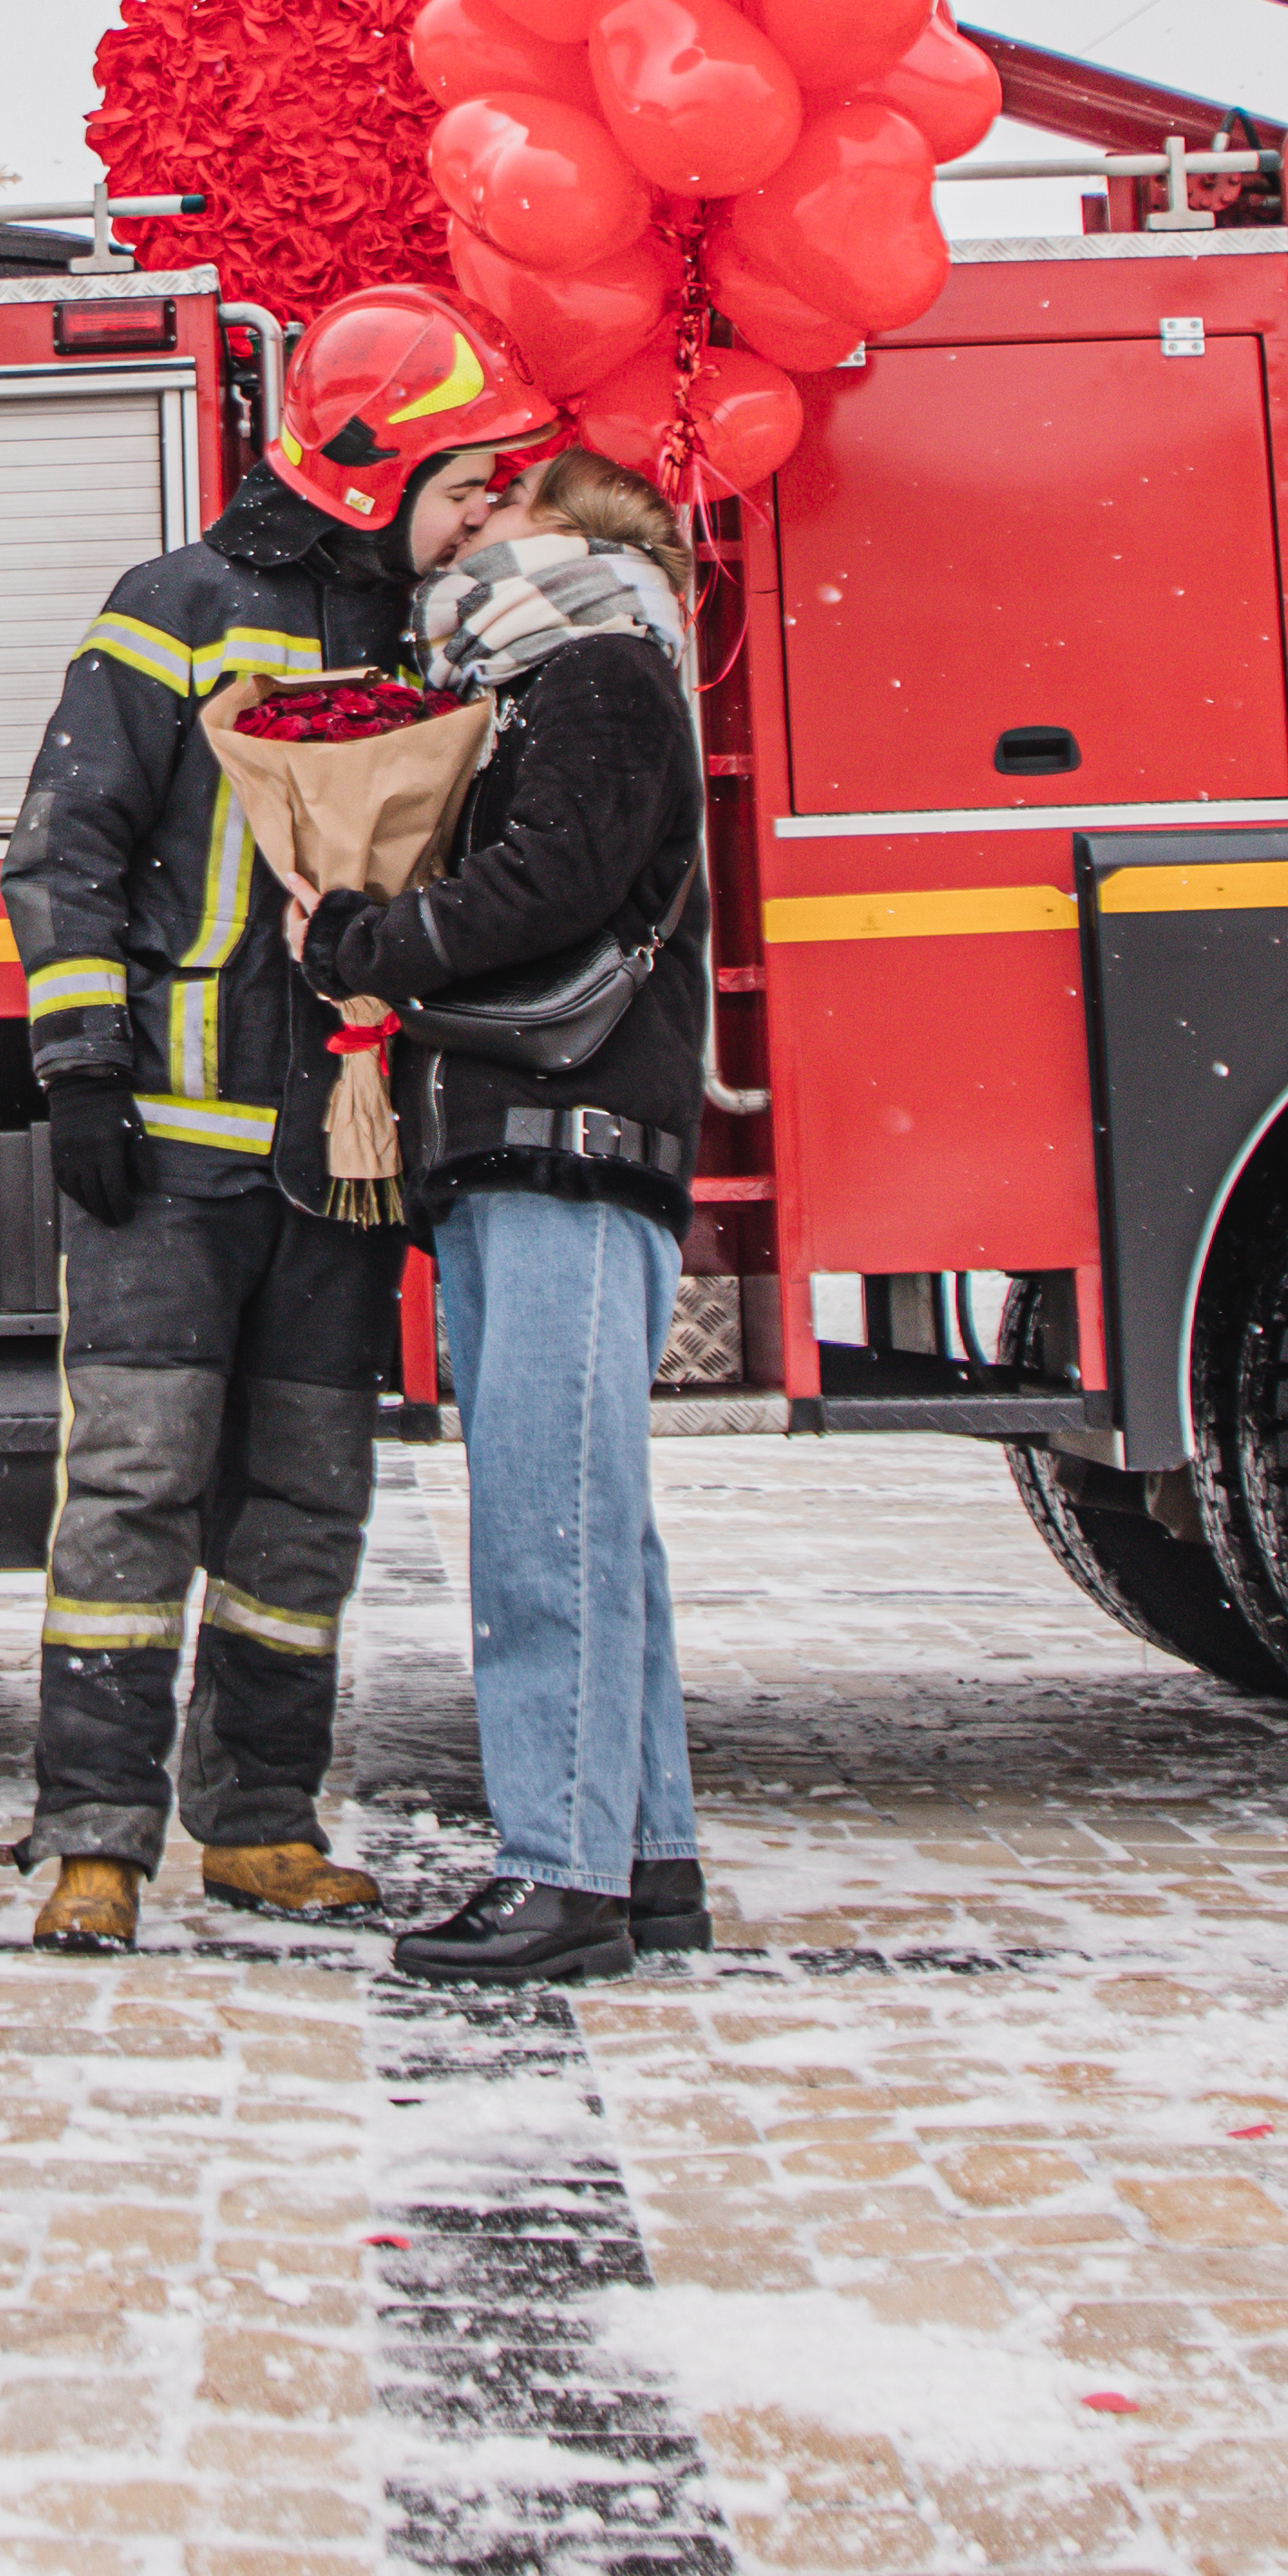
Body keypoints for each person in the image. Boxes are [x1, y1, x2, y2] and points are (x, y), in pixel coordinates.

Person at [2, 281, 559, 1954]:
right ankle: (96, 1842)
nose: (494, 504)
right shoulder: (173, 606)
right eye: (470, 473)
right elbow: (65, 856)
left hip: (344, 1151)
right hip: (169, 1153)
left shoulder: (441, 636)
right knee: (136, 1489)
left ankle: (258, 1823)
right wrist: (85, 1071)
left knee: (308, 1503)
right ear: (369, 470)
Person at [295, 444, 713, 1985]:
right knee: (598, 1526)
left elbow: (554, 883)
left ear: (565, 529)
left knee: (549, 1525)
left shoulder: (591, 662)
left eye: (504, 499)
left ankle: (560, 1878)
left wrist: (365, 938)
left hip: (562, 1141)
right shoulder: (565, 672)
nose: (474, 517)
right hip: (553, 1136)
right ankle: (645, 1860)